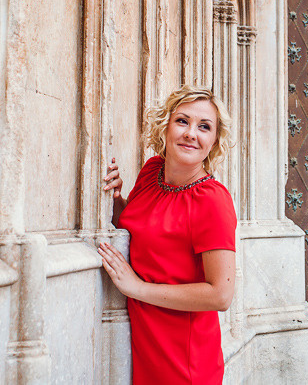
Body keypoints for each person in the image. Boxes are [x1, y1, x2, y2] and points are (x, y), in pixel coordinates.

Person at [97, 85, 237, 384]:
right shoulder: (151, 171)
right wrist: (115, 199)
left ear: (213, 141)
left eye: (204, 127)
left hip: (185, 360)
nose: (191, 133)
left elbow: (221, 294)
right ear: (166, 126)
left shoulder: (211, 200)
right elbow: (144, 228)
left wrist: (136, 288)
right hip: (145, 344)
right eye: (182, 121)